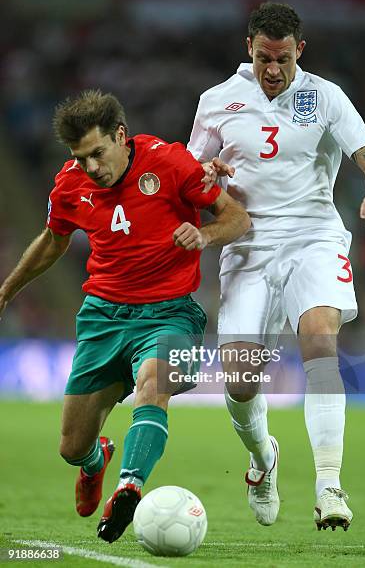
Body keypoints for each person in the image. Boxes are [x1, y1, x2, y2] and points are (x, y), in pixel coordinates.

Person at [0, 89, 250, 543]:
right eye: (80, 158)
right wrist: (6, 291)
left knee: (153, 386)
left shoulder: (171, 163)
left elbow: (237, 218)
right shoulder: (70, 185)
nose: (91, 167)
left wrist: (205, 233)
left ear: (121, 136)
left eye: (97, 153)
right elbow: (52, 241)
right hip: (102, 318)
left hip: (170, 313)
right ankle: (97, 460)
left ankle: (129, 487)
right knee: (71, 448)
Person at [188, 2, 365, 531]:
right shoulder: (217, 102)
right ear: (249, 49)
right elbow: (189, 183)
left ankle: (330, 486)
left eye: (282, 58)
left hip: (314, 236)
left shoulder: (325, 96)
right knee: (240, 382)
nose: (272, 70)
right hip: (246, 244)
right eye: (263, 58)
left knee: (320, 341)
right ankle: (264, 461)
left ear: (299, 50)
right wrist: (208, 176)